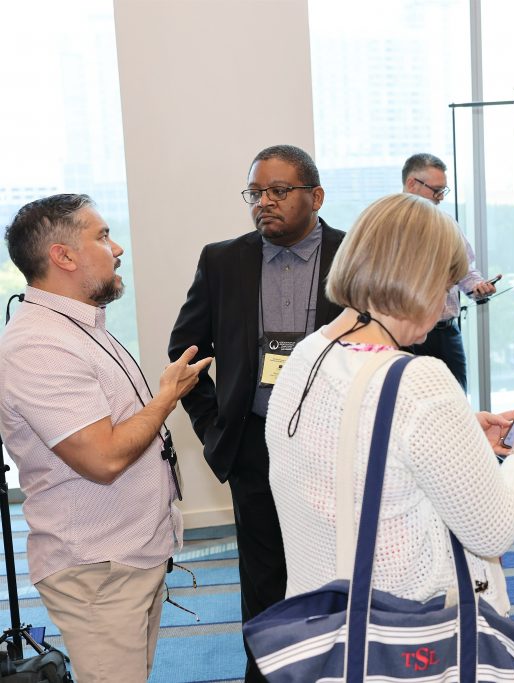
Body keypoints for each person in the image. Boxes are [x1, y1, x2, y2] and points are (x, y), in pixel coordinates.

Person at [264, 192, 514, 619]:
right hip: (407, 630)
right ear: (419, 280)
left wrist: (459, 435)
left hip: (321, 616)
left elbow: (358, 449)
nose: (445, 304)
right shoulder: (419, 380)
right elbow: (494, 530)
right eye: (444, 287)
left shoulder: (308, 353)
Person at [0, 194, 210, 682]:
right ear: (63, 256)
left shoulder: (77, 326)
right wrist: (167, 397)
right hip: (97, 569)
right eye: (102, 236)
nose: (117, 249)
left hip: (123, 559)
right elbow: (103, 458)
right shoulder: (39, 345)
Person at [168, 145, 345, 682]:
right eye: (256, 192)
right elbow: (185, 353)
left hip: (338, 447)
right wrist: (215, 426)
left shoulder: (355, 254)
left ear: (315, 196)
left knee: (336, 572)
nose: (264, 202)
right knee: (264, 579)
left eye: (279, 191)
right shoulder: (223, 261)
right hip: (256, 444)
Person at [401, 153, 497, 390]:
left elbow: (465, 269)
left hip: (446, 334)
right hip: (405, 335)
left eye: (443, 191)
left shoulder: (447, 223)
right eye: (436, 191)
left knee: (457, 401)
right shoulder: (389, 225)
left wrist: (478, 288)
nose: (441, 198)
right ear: (412, 183)